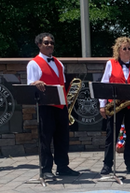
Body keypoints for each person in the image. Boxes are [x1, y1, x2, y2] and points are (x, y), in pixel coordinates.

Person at [26, 33, 80, 179]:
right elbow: (30, 84)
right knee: (45, 138)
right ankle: (46, 169)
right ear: (39, 45)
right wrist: (35, 83)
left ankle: (62, 167)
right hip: (46, 106)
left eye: (51, 43)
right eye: (46, 42)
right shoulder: (34, 63)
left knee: (62, 138)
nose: (50, 45)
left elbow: (62, 84)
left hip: (61, 106)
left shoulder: (59, 63)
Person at [99, 36, 130, 174]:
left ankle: (129, 163)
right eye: (124, 48)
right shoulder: (110, 63)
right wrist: (102, 104)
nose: (127, 51)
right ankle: (107, 164)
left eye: (129, 48)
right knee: (111, 135)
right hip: (115, 105)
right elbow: (104, 84)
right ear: (118, 50)